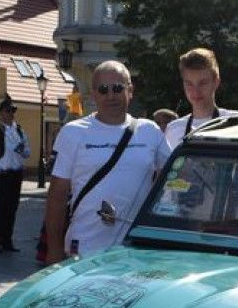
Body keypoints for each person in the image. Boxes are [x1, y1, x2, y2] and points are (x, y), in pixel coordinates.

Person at [43, 61, 170, 263]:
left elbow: (173, 180)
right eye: (103, 89)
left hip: (136, 252)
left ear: (130, 91)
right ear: (94, 94)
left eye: (118, 88)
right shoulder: (73, 132)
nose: (111, 95)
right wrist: (53, 250)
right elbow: (57, 197)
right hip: (84, 251)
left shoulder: (150, 131)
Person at [163, 48, 238, 150]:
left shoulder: (235, 122)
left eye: (202, 83)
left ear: (216, 82)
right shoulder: (173, 129)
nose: (196, 92)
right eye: (189, 84)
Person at [0, 96, 31, 253]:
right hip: (2, 174)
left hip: (16, 174)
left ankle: (8, 241)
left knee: (12, 208)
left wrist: (23, 150)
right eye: (7, 111)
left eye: (12, 111)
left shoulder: (19, 130)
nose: (10, 114)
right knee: (1, 208)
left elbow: (27, 152)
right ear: (1, 113)